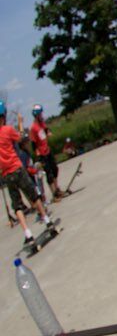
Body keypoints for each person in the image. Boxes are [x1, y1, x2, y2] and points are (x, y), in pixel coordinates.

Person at [0, 102, 57, 252]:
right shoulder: (7, 129)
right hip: (18, 168)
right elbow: (21, 138)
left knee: (17, 205)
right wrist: (19, 123)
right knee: (34, 195)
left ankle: (28, 234)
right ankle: (47, 221)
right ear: (4, 116)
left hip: (6, 174)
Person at [28, 104, 64, 201]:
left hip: (47, 150)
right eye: (40, 114)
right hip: (42, 154)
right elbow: (33, 143)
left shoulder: (41, 123)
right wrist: (38, 154)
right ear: (37, 115)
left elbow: (46, 129)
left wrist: (48, 132)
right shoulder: (33, 128)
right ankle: (54, 195)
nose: (42, 115)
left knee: (55, 169)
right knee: (49, 174)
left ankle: (57, 189)